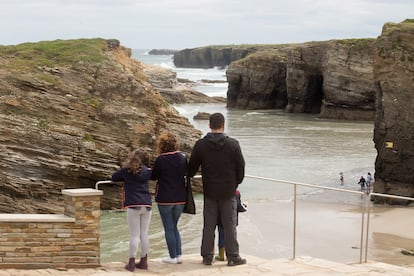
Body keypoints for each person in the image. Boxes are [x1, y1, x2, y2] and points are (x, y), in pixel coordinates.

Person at [187, 112, 247, 266]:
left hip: (210, 191)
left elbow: (192, 168)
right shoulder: (233, 144)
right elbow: (241, 167)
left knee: (209, 225)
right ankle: (233, 256)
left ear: (209, 125)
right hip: (228, 191)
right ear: (223, 125)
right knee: (229, 225)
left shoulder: (201, 145)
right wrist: (235, 183)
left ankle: (207, 256)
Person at [111, 149, 152, 272]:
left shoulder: (126, 171)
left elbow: (113, 177)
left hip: (133, 205)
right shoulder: (148, 171)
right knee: (144, 234)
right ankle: (144, 262)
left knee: (134, 235)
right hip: (147, 205)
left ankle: (131, 262)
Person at [151, 131, 187, 264]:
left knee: (169, 228)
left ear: (162, 144)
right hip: (180, 198)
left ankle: (172, 257)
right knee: (174, 226)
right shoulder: (182, 157)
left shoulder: (161, 159)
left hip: (165, 198)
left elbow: (154, 176)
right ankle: (178, 255)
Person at [215, 189, 247, 261]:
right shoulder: (236, 192)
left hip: (221, 219)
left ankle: (221, 255)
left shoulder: (218, 192)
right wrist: (244, 206)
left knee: (221, 236)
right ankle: (232, 253)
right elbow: (238, 206)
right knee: (231, 236)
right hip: (232, 219)